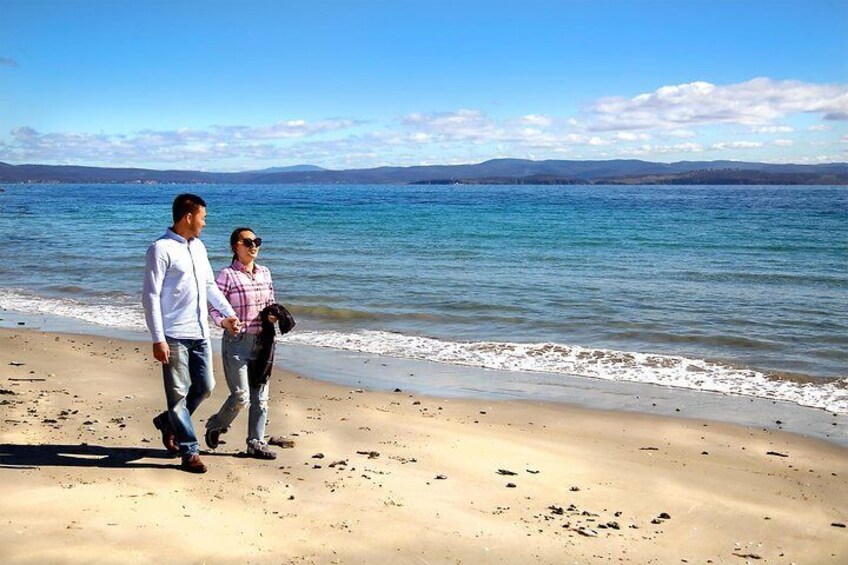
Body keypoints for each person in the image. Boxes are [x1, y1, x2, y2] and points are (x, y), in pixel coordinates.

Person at [142, 193, 241, 474]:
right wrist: (157, 338)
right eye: (203, 217)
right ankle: (189, 451)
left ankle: (166, 422)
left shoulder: (198, 247)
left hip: (200, 332)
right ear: (189, 217)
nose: (204, 223)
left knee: (205, 387)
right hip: (173, 334)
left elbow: (210, 285)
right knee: (177, 395)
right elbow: (150, 296)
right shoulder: (160, 249)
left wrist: (228, 314)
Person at [205, 227, 291, 459]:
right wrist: (224, 322)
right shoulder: (226, 275)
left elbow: (271, 303)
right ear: (236, 246)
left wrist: (273, 316)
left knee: (261, 398)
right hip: (237, 342)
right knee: (241, 395)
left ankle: (255, 443)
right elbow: (212, 306)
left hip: (263, 342)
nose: (254, 246)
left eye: (257, 241)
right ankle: (215, 425)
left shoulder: (265, 272)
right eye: (248, 242)